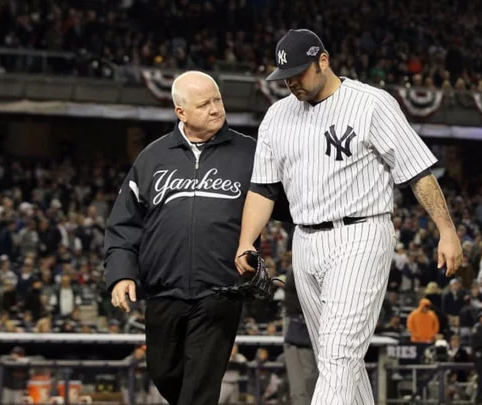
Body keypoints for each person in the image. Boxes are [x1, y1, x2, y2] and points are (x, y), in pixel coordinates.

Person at [234, 29, 463, 405]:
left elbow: (417, 173)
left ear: (323, 60)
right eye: (285, 76)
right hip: (305, 242)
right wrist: (246, 241)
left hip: (359, 235)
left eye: (299, 73)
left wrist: (446, 230)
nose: (291, 82)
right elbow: (263, 188)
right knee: (337, 362)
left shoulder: (371, 103)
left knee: (338, 356)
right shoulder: (277, 115)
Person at [104, 70, 286, 405]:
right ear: (181, 112)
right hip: (163, 290)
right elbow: (124, 223)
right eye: (204, 104)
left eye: (218, 99)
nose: (216, 108)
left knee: (201, 385)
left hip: (220, 290)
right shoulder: (152, 158)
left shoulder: (251, 154)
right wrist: (121, 273)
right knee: (163, 372)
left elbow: (289, 207)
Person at [283, 268, 318, 405]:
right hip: (297, 324)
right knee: (299, 385)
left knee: (311, 378)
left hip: (315, 324)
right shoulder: (297, 270)